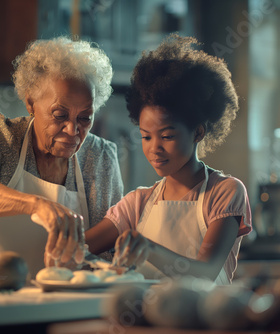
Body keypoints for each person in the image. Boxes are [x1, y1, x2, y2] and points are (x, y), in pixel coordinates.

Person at [0, 36, 124, 276]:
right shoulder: (0, 135)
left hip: (56, 299)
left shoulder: (100, 157)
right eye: (59, 114)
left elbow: (108, 246)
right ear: (30, 102)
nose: (72, 130)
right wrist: (35, 204)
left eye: (84, 118)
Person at [86, 34, 252, 284]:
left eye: (167, 136)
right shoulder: (137, 203)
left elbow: (206, 272)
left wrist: (149, 249)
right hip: (146, 319)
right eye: (146, 137)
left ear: (198, 132)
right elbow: (80, 248)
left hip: (206, 319)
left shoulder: (225, 192)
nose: (155, 148)